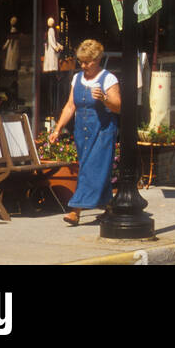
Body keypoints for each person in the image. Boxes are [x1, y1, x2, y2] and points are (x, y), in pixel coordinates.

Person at [50, 39, 120, 225]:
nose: (83, 65)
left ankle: (75, 210)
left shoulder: (108, 79)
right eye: (81, 61)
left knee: (90, 170)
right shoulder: (77, 78)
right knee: (95, 170)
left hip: (103, 132)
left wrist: (104, 99)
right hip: (82, 132)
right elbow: (70, 105)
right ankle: (110, 207)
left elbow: (119, 106)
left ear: (97, 60)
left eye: (87, 62)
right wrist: (57, 129)